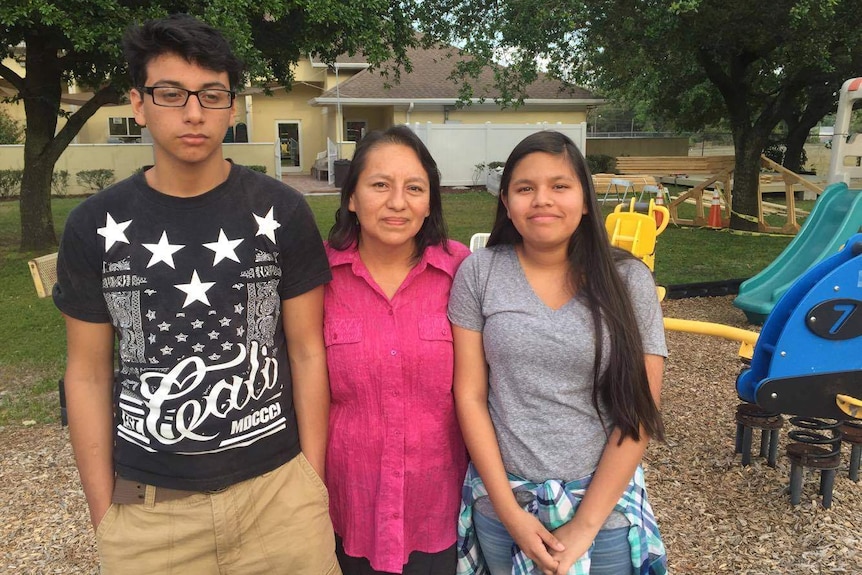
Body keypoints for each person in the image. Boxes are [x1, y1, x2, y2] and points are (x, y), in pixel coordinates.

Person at [53, 14, 339, 574]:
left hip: (279, 500)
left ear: (231, 107)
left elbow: (307, 351)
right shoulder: (94, 225)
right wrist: (102, 510)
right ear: (139, 103)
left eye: (211, 95)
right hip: (149, 514)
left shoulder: (283, 212)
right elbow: (86, 373)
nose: (193, 112)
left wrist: (311, 478)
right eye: (171, 93)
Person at [448, 130, 668, 575]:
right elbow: (469, 396)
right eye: (525, 189)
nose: (541, 200)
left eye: (559, 186)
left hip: (603, 511)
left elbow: (640, 410)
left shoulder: (629, 281)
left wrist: (585, 526)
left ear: (585, 200)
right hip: (502, 503)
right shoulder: (479, 272)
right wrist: (510, 513)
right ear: (506, 204)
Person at [324, 125, 471, 574]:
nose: (397, 203)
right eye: (380, 185)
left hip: (439, 509)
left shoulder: (463, 271)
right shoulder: (316, 275)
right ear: (352, 197)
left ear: (430, 202)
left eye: (414, 188)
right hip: (346, 507)